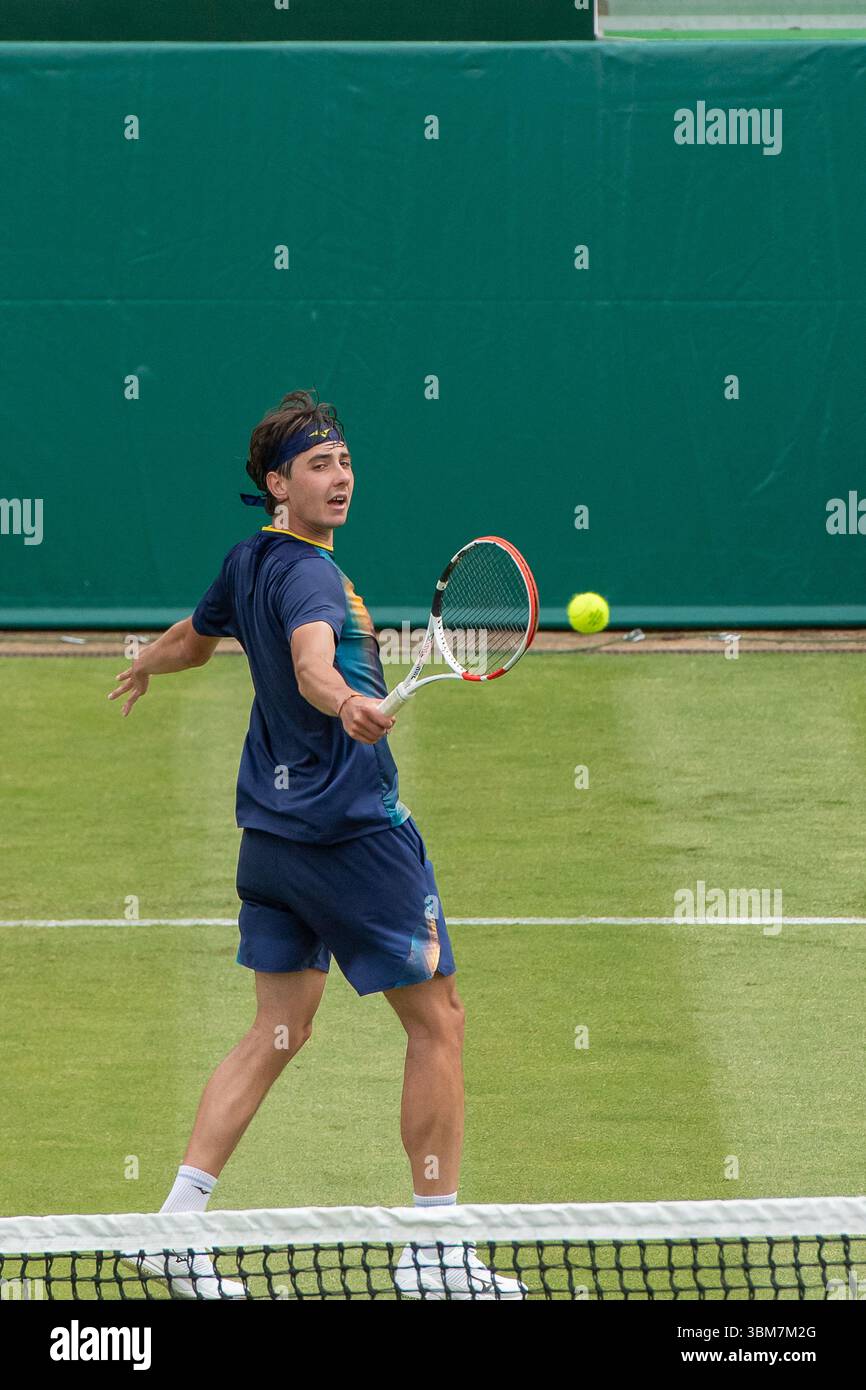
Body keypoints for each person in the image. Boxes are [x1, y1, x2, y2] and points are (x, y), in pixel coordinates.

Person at [108, 389, 525, 1299]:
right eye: (317, 466)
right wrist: (347, 703)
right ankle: (436, 1248)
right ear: (277, 484)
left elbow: (195, 638)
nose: (339, 479)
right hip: (352, 840)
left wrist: (144, 659)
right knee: (438, 1021)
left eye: (343, 462)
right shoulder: (310, 577)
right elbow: (308, 662)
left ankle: (174, 1229)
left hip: (273, 841)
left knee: (277, 1028)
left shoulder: (248, 560)